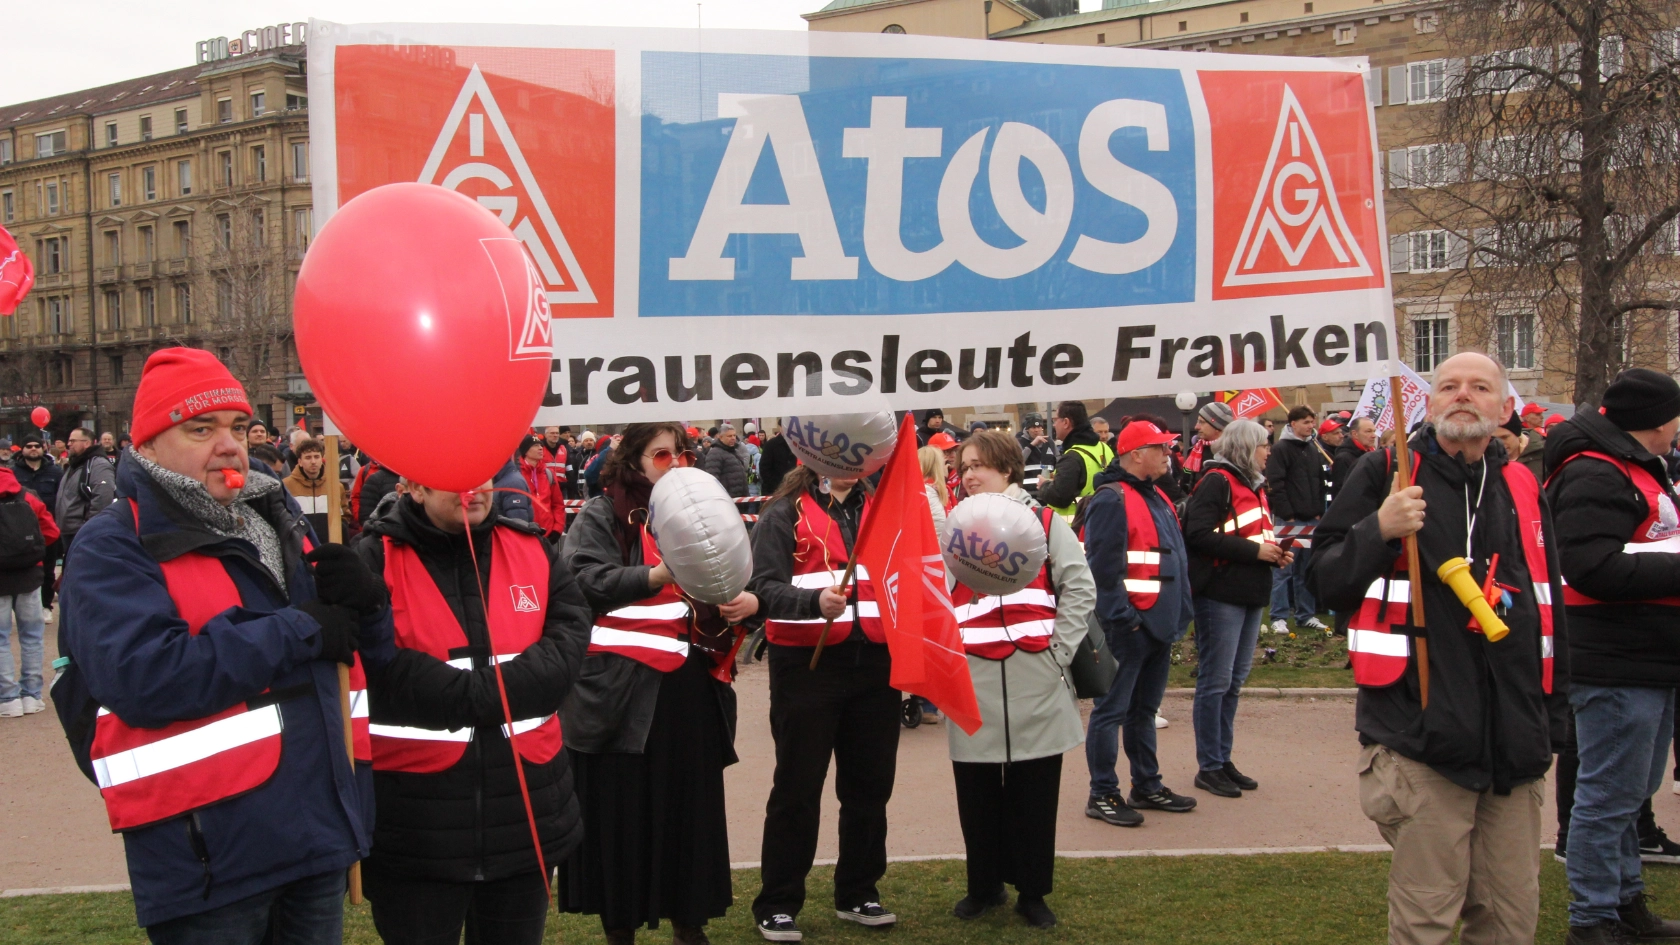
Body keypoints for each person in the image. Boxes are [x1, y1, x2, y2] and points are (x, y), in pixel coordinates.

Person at [58, 347, 394, 941]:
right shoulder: (112, 546)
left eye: (238, 426)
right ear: (149, 443)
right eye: (201, 428)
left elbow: (363, 662)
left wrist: (368, 604)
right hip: (210, 864)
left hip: (316, 836)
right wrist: (302, 628)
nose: (230, 444)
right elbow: (146, 676)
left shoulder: (275, 517)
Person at [1309, 352, 1567, 945]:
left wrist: (1553, 719)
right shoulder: (1385, 473)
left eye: (1480, 387)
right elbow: (1323, 582)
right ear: (1427, 403)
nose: (1462, 396)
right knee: (1426, 920)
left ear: (1506, 408)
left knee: (1509, 919)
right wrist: (1378, 530)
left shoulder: (1523, 485)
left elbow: (1549, 609)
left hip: (1514, 742)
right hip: (1421, 736)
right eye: (1448, 385)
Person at [353, 474, 590, 945]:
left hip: (525, 820)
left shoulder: (531, 547)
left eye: (482, 477)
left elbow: (568, 639)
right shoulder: (373, 558)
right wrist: (486, 697)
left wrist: (478, 695)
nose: (473, 491)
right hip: (415, 831)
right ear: (415, 489)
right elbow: (378, 669)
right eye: (453, 480)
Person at [558, 422, 755, 945]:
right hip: (616, 692)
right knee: (618, 815)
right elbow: (579, 579)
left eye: (681, 453)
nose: (674, 462)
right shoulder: (603, 513)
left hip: (685, 688)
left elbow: (737, 574)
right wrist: (655, 576)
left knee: (687, 809)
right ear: (634, 461)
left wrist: (744, 602)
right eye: (661, 453)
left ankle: (689, 923)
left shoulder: (702, 513)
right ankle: (618, 927)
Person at [1544, 368, 1680, 944]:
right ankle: (1593, 918)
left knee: (1629, 792)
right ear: (1657, 420)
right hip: (1615, 656)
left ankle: (1625, 905)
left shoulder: (1628, 467)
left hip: (1646, 654)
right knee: (1607, 795)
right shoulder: (1595, 472)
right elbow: (1591, 568)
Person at [947, 431, 1094, 929]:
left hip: (1037, 673)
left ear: (1007, 468)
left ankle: (1033, 891)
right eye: (963, 466)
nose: (968, 474)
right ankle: (982, 886)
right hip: (973, 674)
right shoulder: (951, 527)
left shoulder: (1047, 521)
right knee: (976, 792)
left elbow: (1079, 586)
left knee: (1035, 792)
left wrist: (1058, 655)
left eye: (978, 465)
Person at [749, 460, 898, 941]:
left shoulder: (883, 508)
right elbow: (760, 587)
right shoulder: (782, 513)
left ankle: (858, 892)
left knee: (869, 788)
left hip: (875, 663)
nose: (851, 467)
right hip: (806, 667)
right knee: (797, 786)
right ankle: (778, 902)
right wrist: (813, 603)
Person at [1080, 419, 1196, 828]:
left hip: (1156, 625)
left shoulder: (1154, 495)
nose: (1169, 454)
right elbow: (1103, 572)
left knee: (1143, 711)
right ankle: (1103, 792)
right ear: (1136, 455)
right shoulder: (1112, 499)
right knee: (1111, 712)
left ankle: (1146, 784)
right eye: (1161, 448)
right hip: (1129, 628)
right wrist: (1125, 621)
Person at [1181, 419, 1289, 799]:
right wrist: (1255, 551)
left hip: (1248, 590)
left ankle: (1221, 760)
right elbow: (1196, 533)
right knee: (1216, 681)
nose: (1268, 451)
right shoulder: (1218, 481)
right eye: (1263, 445)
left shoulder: (1252, 485)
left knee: (1233, 681)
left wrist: (1274, 552)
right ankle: (1209, 765)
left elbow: (1249, 533)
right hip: (1220, 593)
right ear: (1245, 447)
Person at [1264, 406, 1331, 633]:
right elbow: (1275, 482)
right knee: (1284, 569)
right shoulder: (1282, 449)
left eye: (1312, 421)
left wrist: (1318, 510)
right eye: (1305, 422)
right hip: (1290, 519)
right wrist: (1287, 512)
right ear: (1292, 424)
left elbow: (1320, 481)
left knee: (1306, 569)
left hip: (1311, 518)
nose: (1311, 425)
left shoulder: (1312, 448)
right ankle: (1278, 616)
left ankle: (1305, 614)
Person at [0, 462, 59, 717]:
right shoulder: (28, 496)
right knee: (32, 636)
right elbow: (51, 532)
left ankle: (7, 698)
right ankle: (32, 695)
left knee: (1, 640)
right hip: (29, 574)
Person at [1037, 401, 1116, 518]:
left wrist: (1044, 486)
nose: (1054, 425)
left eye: (1056, 420)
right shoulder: (1105, 448)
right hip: (1103, 519)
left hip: (1075, 529)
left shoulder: (1072, 457)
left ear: (1066, 422)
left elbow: (1060, 497)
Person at [14, 435, 64, 612]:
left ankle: (45, 605)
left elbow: (62, 499)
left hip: (47, 528)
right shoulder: (13, 473)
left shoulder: (56, 472)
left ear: (43, 448)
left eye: (37, 445)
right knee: (23, 569)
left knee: (48, 569)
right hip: (20, 531)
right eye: (29, 446)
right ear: (22, 449)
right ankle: (22, 608)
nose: (33, 449)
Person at [55, 427, 117, 551]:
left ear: (87, 443)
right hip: (68, 531)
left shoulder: (98, 465)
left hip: (83, 532)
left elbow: (103, 498)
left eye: (73, 441)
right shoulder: (76, 464)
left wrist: (90, 527)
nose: (69, 444)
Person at [282, 438, 333, 538]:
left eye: (316, 457)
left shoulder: (334, 485)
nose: (313, 461)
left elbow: (343, 516)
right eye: (308, 457)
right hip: (301, 543)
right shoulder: (286, 485)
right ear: (300, 461)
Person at [1180, 401, 1234, 493]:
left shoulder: (1233, 453)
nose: (1196, 427)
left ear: (1217, 427)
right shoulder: (1195, 450)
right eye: (1198, 421)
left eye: (1202, 422)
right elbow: (1185, 481)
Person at [516, 436, 561, 538]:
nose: (541, 448)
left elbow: (558, 504)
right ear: (526, 451)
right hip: (524, 533)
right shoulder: (517, 474)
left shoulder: (548, 474)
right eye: (536, 446)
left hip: (548, 534)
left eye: (541, 445)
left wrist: (557, 530)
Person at [698, 424, 752, 499]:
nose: (733, 438)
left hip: (741, 500)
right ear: (721, 437)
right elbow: (713, 479)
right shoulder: (715, 453)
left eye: (734, 435)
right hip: (727, 500)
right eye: (729, 436)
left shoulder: (736, 452)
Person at [1333, 417, 1376, 496]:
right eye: (1368, 431)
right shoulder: (1343, 458)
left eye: (1374, 431)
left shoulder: (1372, 455)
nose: (1374, 435)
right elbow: (1342, 492)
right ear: (1355, 434)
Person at [1017, 414, 1057, 499]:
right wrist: (1031, 445)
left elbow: (1058, 461)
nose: (1036, 430)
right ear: (1027, 429)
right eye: (1033, 427)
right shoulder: (1020, 442)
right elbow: (1018, 461)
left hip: (1048, 490)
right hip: (1028, 492)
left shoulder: (1050, 442)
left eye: (1039, 427)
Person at [759, 426, 798, 499]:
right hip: (774, 491)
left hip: (792, 490)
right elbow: (764, 469)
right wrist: (776, 486)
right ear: (780, 427)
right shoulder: (771, 444)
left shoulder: (796, 444)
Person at [541, 427, 571, 504]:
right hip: (545, 485)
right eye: (552, 433)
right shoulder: (540, 448)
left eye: (557, 433)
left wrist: (569, 483)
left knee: (561, 510)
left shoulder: (563, 448)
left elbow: (569, 468)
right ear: (546, 435)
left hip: (561, 486)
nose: (555, 435)